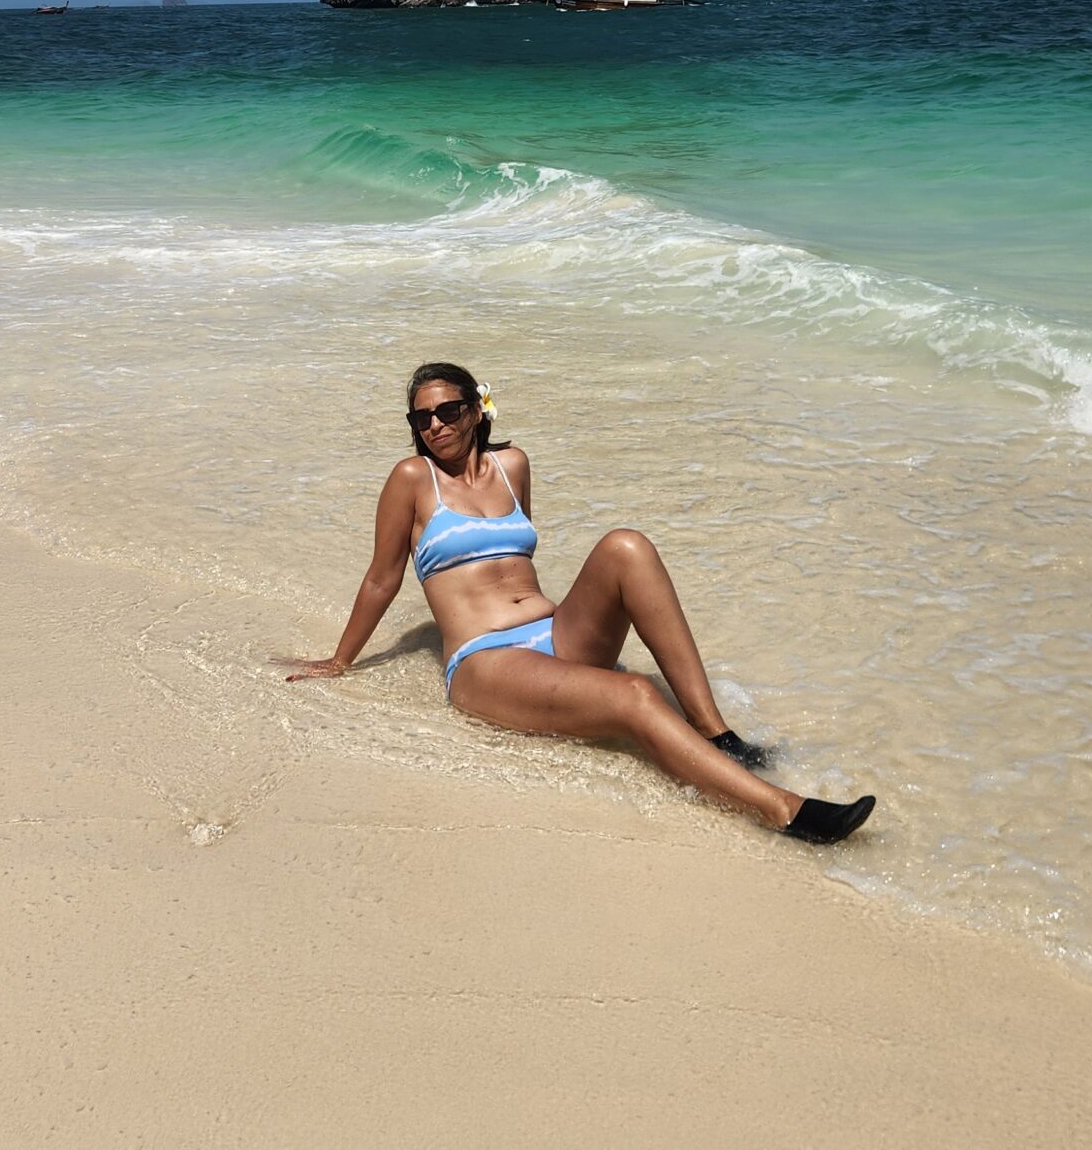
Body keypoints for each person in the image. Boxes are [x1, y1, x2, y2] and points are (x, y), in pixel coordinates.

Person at [287, 362, 876, 845]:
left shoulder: (512, 465)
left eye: (448, 411)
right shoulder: (412, 479)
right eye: (421, 418)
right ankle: (785, 811)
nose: (435, 426)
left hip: (554, 634)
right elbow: (382, 578)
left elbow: (514, 563)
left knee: (627, 546)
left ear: (477, 410)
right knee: (634, 694)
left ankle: (715, 732)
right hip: (486, 662)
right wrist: (340, 661)